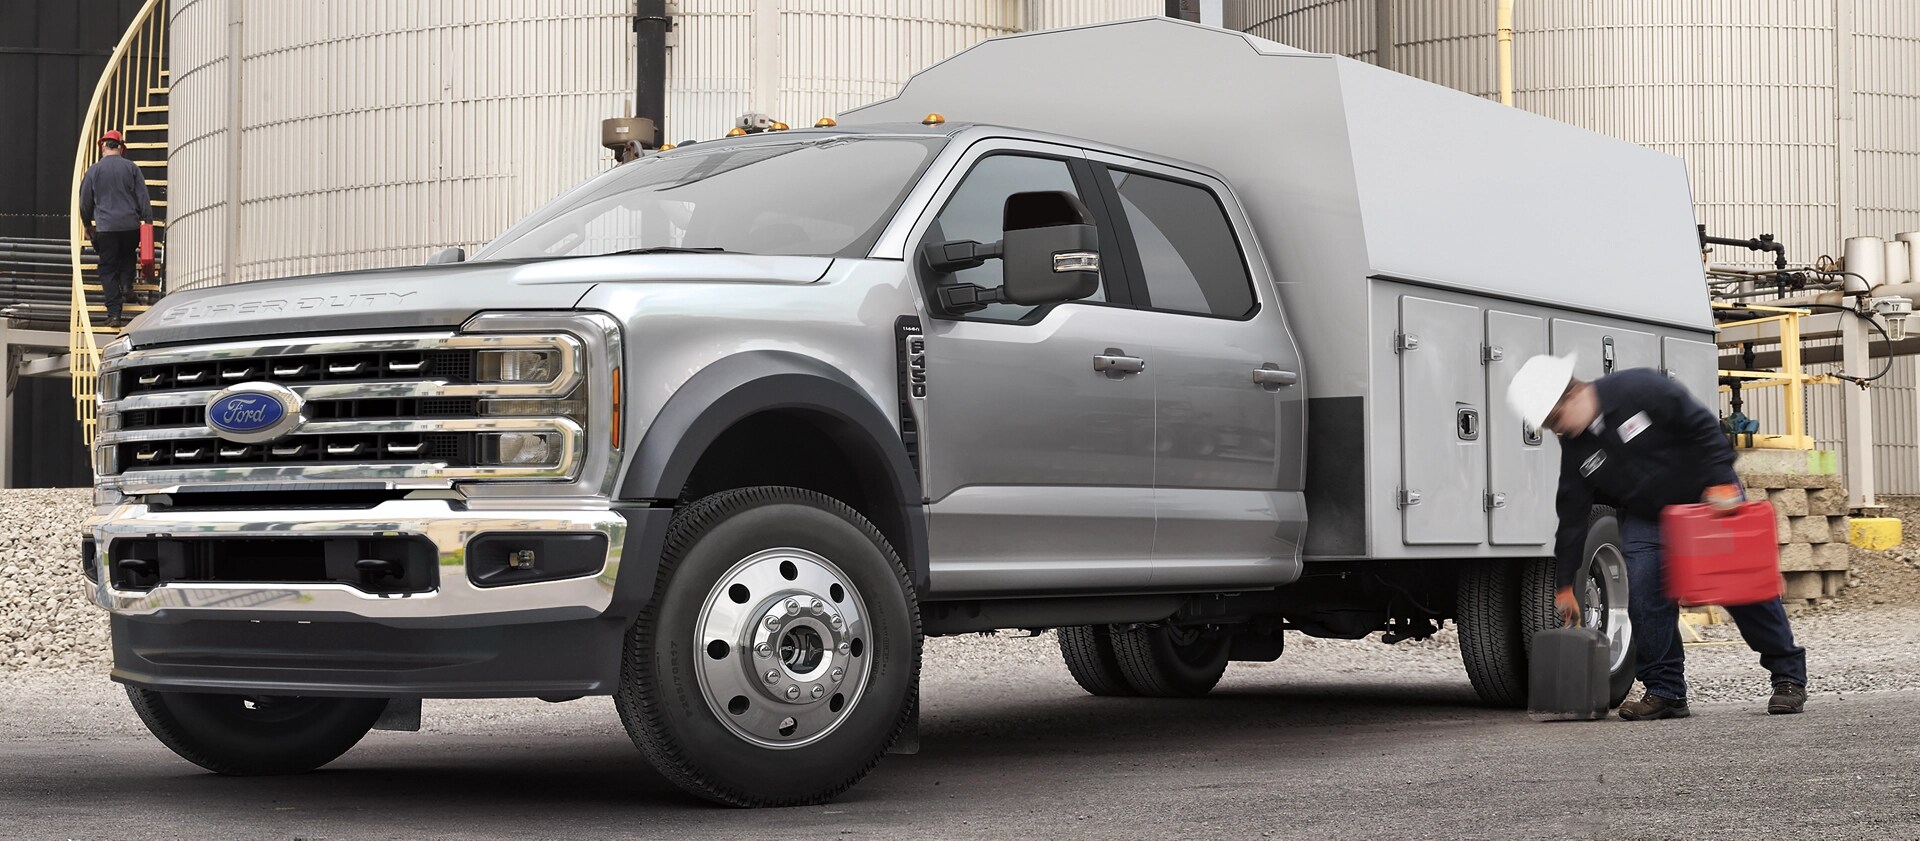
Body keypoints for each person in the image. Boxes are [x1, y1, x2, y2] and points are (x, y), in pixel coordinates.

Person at [1507, 354, 1808, 719]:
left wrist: (1719, 479)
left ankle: (1788, 677)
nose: (1556, 430)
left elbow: (1701, 425)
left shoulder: (1639, 388)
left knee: (1741, 588)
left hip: (1708, 497)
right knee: (1646, 599)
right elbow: (1571, 515)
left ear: (1572, 395)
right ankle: (1665, 691)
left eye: (1554, 420)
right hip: (1649, 516)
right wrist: (1565, 583)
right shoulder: (1577, 447)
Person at [78, 129, 154, 327]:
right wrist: (147, 222)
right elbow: (143, 198)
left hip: (107, 228)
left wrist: (87, 224)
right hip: (130, 226)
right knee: (128, 254)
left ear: (103, 146)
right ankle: (127, 285)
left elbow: (85, 202)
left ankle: (114, 314)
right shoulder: (132, 168)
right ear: (121, 148)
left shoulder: (94, 171)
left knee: (108, 269)